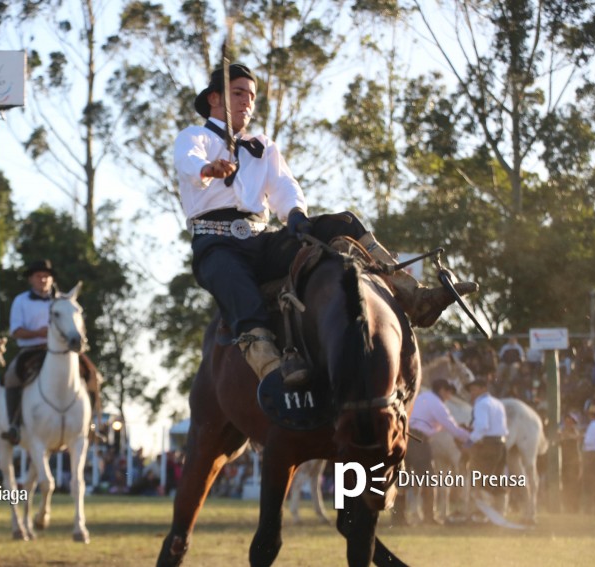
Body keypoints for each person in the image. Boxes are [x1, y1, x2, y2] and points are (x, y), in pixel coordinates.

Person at [174, 63, 477, 387]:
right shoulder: (196, 136)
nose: (247, 102)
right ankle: (271, 370)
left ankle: (413, 296)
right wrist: (209, 169)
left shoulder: (264, 146)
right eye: (238, 93)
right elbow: (188, 160)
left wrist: (294, 214)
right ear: (214, 99)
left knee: (342, 222)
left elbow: (285, 187)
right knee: (237, 288)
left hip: (263, 240)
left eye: (251, 95)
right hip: (217, 246)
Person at [398, 378, 471, 525]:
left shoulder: (421, 398)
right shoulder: (437, 404)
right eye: (449, 392)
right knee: (428, 479)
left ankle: (399, 517)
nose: (450, 396)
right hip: (418, 440)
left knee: (403, 479)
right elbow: (452, 427)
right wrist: (471, 437)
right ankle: (429, 517)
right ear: (442, 390)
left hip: (403, 437)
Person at [1, 259, 57, 444]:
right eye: (39, 276)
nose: (43, 279)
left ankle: (90, 424)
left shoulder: (61, 299)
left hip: (59, 350)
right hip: (31, 349)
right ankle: (14, 425)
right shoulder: (21, 300)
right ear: (31, 279)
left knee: (91, 374)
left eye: (46, 276)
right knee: (11, 377)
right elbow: (16, 331)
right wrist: (38, 333)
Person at [463, 378, 508, 508]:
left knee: (482, 480)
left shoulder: (481, 404)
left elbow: (482, 426)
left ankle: (483, 512)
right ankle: (500, 511)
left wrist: (469, 443)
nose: (472, 392)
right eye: (471, 390)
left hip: (488, 445)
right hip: (500, 444)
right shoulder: (497, 403)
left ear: (483, 389)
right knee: (497, 479)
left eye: (474, 389)